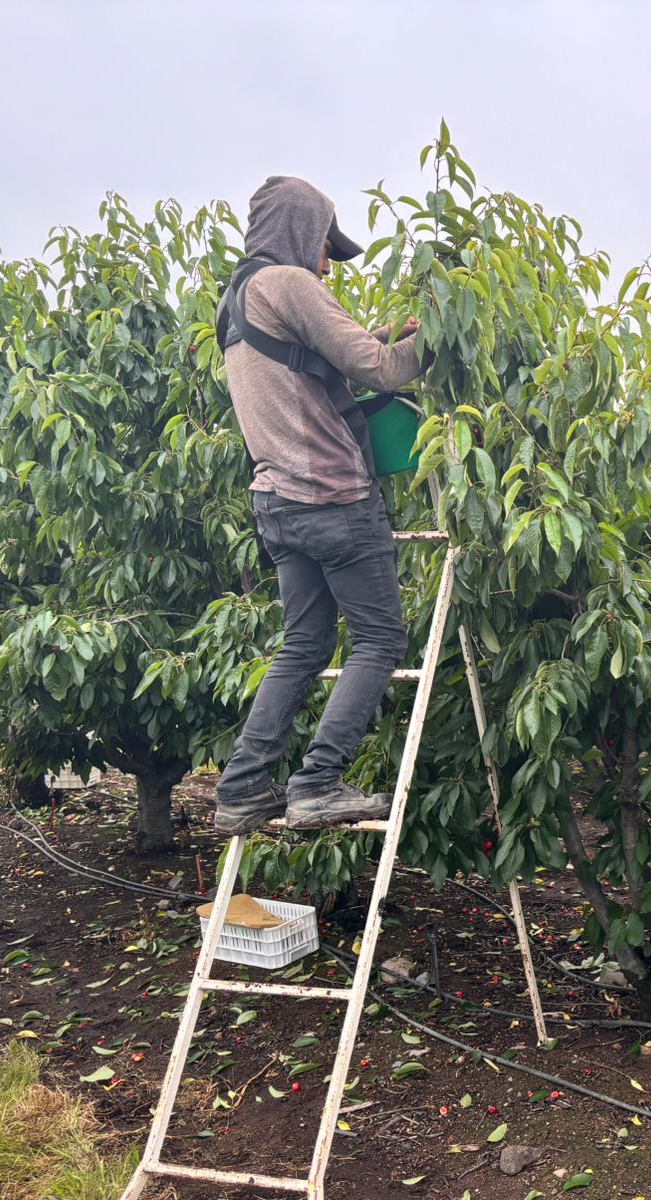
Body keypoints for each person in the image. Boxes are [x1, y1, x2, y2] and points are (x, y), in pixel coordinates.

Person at [211, 176, 432, 836]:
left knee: (303, 645)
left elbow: (306, 368)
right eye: (326, 246)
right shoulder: (291, 284)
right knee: (380, 638)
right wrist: (442, 333)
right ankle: (318, 784)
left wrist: (384, 332)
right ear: (302, 232)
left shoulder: (239, 299)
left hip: (277, 501)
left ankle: (243, 788)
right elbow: (384, 372)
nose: (327, 262)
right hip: (334, 498)